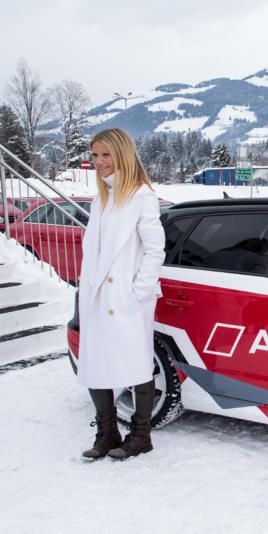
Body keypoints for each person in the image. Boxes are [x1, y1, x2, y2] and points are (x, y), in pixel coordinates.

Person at [77, 128, 166, 460]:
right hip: (97, 295)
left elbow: (155, 250)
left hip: (125, 297)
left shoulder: (141, 196)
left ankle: (141, 435)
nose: (99, 162)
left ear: (122, 155)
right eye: (95, 155)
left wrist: (136, 292)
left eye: (106, 155)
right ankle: (108, 432)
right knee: (94, 362)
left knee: (137, 365)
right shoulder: (101, 197)